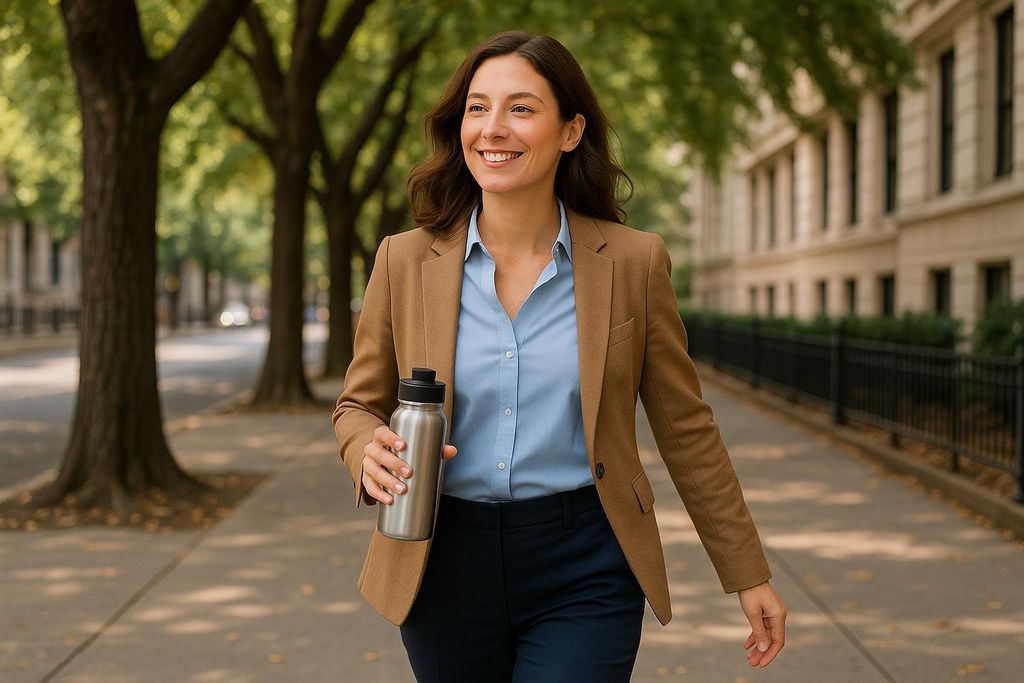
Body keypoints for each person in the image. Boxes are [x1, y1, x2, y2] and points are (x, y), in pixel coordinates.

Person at [333, 30, 787, 682]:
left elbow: (687, 429)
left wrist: (748, 572)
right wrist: (366, 448)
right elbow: (357, 403)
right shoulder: (403, 261)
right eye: (477, 107)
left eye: (521, 108)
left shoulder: (633, 263)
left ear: (570, 131)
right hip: (441, 556)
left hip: (586, 559)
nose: (494, 128)